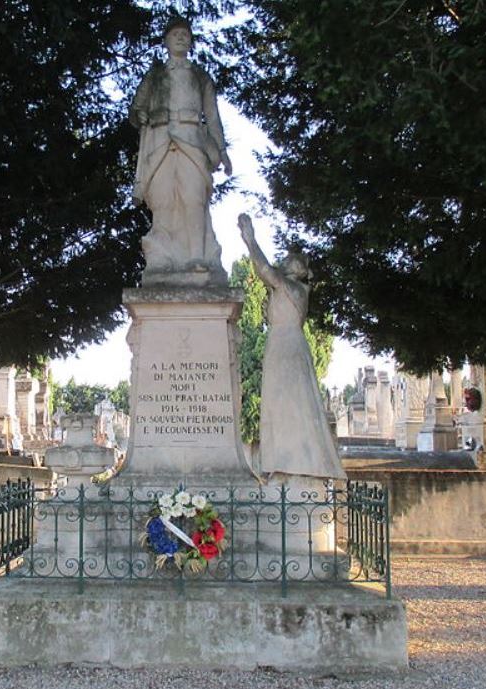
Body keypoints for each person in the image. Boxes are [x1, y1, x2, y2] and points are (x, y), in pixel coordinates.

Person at [237, 213, 346, 480]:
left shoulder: (295, 288)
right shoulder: (286, 289)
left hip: (288, 346)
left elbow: (265, 271)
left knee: (292, 403)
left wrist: (251, 240)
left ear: (297, 269)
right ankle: (282, 461)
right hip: (279, 344)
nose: (283, 261)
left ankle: (300, 463)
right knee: (278, 404)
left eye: (288, 260)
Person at [129, 17, 231, 284]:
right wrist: (140, 114)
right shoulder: (155, 76)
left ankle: (198, 258)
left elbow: (212, 116)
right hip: (161, 140)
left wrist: (221, 149)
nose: (180, 38)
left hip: (192, 138)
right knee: (162, 200)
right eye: (175, 34)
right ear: (166, 40)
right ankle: (162, 261)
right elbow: (137, 107)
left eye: (185, 34)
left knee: (193, 197)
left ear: (191, 41)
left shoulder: (200, 77)